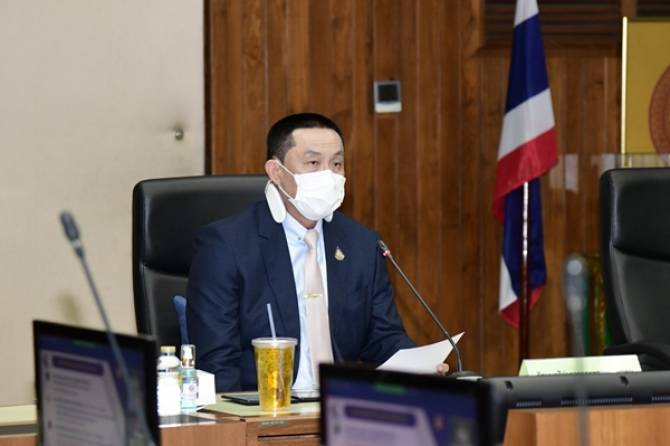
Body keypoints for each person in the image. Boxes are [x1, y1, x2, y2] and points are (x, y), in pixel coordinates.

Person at [187, 113, 419, 392]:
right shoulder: (227, 245)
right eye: (313, 163)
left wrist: (420, 367)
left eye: (336, 164)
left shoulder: (362, 245)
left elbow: (383, 338)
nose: (328, 175)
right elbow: (217, 362)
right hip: (265, 407)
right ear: (276, 172)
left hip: (340, 404)